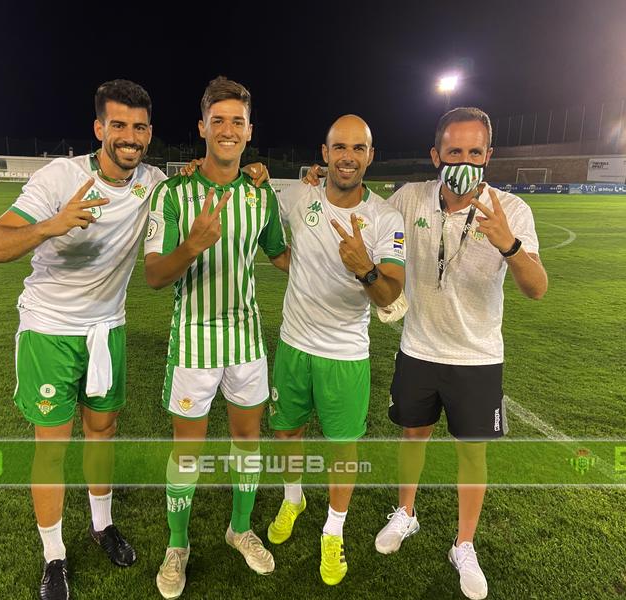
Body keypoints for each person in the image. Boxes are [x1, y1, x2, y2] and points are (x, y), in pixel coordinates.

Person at [0, 79, 161, 600]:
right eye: (119, 125)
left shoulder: (151, 182)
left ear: (150, 134)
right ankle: (54, 556)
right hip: (50, 331)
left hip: (108, 330)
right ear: (99, 128)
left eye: (140, 127)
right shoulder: (60, 177)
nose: (130, 136)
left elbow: (198, 179)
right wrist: (49, 226)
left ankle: (101, 525)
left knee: (102, 431)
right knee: (52, 449)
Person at [373, 107, 548, 600]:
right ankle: (405, 514)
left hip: (477, 357)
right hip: (419, 349)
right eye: (454, 151)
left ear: (488, 156)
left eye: (475, 151)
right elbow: (367, 212)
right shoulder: (411, 198)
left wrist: (509, 246)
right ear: (436, 156)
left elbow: (537, 288)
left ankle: (463, 544)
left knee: (472, 453)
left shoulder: (510, 210)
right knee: (413, 435)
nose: (465, 160)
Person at [144, 76, 289, 599]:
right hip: (193, 346)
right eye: (218, 120)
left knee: (247, 441)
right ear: (202, 126)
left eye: (238, 121)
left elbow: (281, 256)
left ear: (250, 132)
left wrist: (340, 270)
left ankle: (239, 528)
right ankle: (177, 545)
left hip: (247, 341)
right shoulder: (174, 192)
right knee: (188, 453)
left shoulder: (259, 193)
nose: (228, 130)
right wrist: (193, 244)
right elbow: (156, 275)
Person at [265, 115, 405, 586]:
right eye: (339, 147)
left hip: (346, 354)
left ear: (370, 155)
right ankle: (293, 498)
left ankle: (333, 530)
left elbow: (391, 297)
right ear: (323, 155)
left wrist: (365, 268)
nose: (348, 156)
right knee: (286, 432)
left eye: (358, 148)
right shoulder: (299, 195)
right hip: (293, 345)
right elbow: (270, 236)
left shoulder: (385, 218)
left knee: (341, 451)